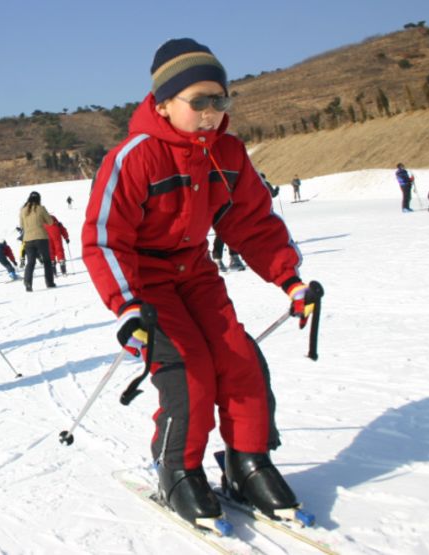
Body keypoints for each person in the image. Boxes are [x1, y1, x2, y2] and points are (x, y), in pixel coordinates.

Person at [82, 38, 320, 524]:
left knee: (239, 358)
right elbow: (104, 239)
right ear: (164, 104)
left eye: (220, 100)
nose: (211, 112)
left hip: (195, 271)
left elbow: (253, 223)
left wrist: (290, 281)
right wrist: (127, 306)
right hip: (146, 280)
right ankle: (178, 468)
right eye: (199, 101)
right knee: (189, 370)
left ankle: (247, 462)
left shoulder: (227, 152)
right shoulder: (136, 157)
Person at [19, 191, 56, 292]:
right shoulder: (41, 208)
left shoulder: (23, 210)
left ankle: (28, 283)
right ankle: (49, 282)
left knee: (30, 262)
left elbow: (21, 225)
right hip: (41, 238)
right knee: (47, 261)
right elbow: (50, 222)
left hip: (28, 239)